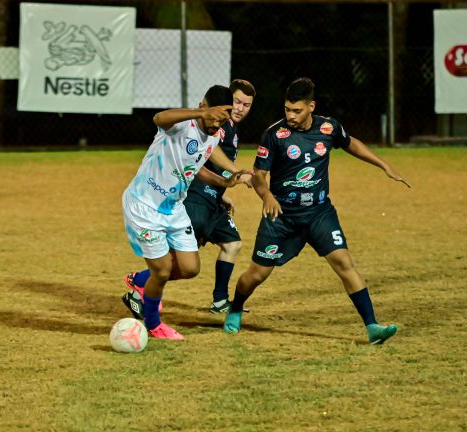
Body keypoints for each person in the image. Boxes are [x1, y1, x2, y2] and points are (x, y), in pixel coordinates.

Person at [223, 77, 411, 345]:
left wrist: (383, 165)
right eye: (287, 109)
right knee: (257, 274)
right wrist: (267, 197)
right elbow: (259, 174)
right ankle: (236, 307)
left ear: (311, 106)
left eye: (296, 110)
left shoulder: (328, 127)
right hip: (282, 216)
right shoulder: (274, 135)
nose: (290, 115)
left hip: (318, 212)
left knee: (344, 263)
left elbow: (351, 142)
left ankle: (372, 327)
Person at [121, 84, 251, 340]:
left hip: (173, 209)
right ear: (204, 106)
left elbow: (195, 167)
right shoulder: (182, 124)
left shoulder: (213, 136)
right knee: (162, 270)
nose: (218, 125)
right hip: (144, 206)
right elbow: (158, 118)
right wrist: (198, 114)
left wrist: (226, 182)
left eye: (224, 121)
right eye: (216, 117)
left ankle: (140, 282)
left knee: (189, 268)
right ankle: (153, 324)